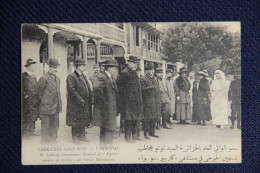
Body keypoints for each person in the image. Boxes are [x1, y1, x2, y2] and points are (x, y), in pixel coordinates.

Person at [35, 58, 62, 145]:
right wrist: (40, 109)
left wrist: (59, 106)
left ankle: (53, 146)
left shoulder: (57, 78)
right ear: (49, 67)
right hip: (46, 110)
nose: (56, 69)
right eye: (54, 67)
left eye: (57, 67)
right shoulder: (44, 78)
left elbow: (58, 93)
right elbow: (38, 95)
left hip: (56, 109)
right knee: (46, 132)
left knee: (54, 130)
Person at [116, 56, 143, 142]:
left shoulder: (134, 72)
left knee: (135, 118)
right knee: (129, 119)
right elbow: (119, 87)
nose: (135, 65)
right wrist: (125, 98)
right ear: (129, 63)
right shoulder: (125, 73)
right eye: (133, 63)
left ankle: (135, 136)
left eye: (136, 63)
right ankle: (128, 137)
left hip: (136, 100)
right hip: (128, 101)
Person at [92, 59, 119, 145]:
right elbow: (96, 88)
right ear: (109, 68)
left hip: (110, 110)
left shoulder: (110, 78)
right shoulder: (102, 76)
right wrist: (105, 103)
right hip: (106, 110)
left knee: (108, 132)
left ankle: (105, 150)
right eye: (114, 68)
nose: (115, 70)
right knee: (107, 132)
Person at [66, 59, 92, 144]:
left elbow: (87, 87)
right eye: (82, 65)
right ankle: (75, 138)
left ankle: (82, 136)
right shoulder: (71, 76)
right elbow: (72, 91)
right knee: (76, 121)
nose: (84, 67)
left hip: (84, 103)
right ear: (78, 66)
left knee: (83, 120)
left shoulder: (83, 76)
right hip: (76, 104)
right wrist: (80, 99)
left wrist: (90, 97)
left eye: (84, 65)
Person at [141, 62, 159, 139]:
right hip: (147, 101)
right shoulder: (143, 79)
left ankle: (152, 132)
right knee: (147, 118)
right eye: (150, 70)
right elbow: (141, 89)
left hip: (155, 100)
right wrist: (150, 88)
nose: (152, 71)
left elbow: (158, 90)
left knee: (154, 117)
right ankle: (146, 133)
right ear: (147, 70)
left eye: (153, 70)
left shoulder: (155, 79)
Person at [22, 59, 39, 136]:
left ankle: (32, 130)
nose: (34, 67)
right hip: (27, 100)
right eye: (32, 66)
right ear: (28, 67)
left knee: (34, 114)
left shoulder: (34, 76)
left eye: (34, 65)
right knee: (27, 115)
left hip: (34, 99)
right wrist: (25, 95)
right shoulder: (23, 76)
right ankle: (24, 131)